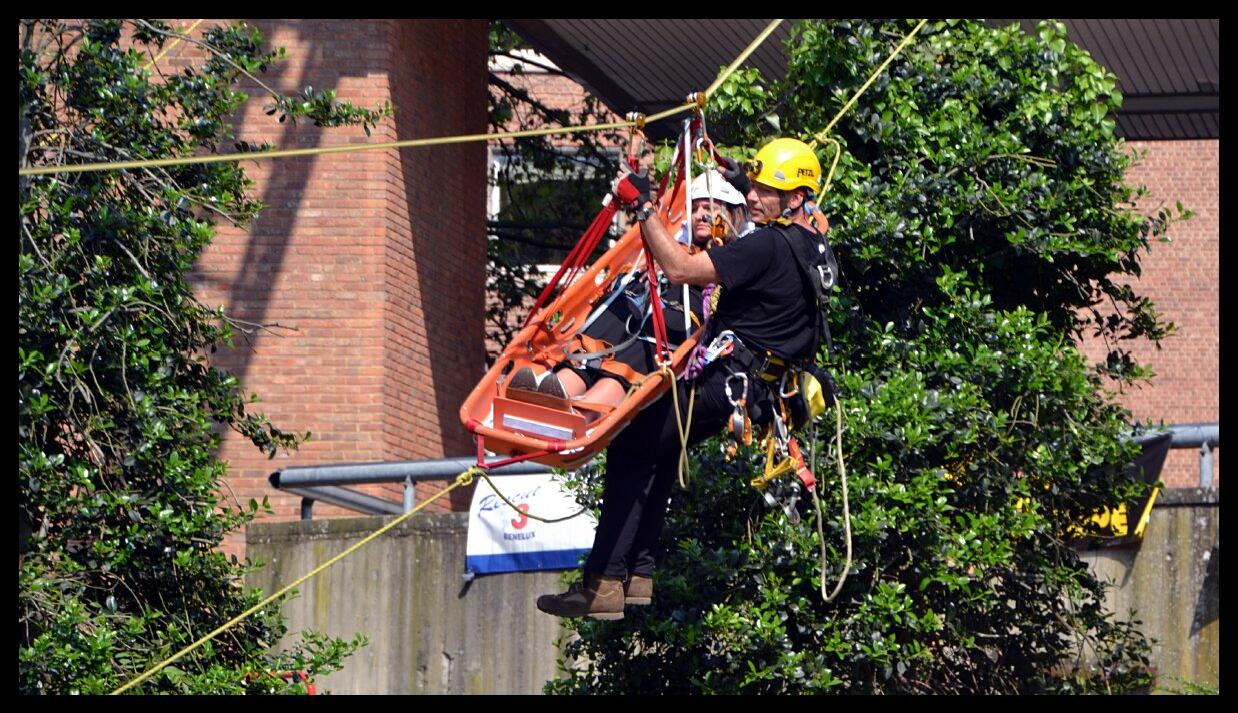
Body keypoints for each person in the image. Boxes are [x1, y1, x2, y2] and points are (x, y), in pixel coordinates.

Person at [534, 138, 833, 620]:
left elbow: (680, 267)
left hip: (729, 384)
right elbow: (793, 208)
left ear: (795, 197)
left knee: (632, 440)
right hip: (757, 390)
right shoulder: (815, 241)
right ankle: (636, 577)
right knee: (659, 449)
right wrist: (734, 172)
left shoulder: (764, 247)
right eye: (751, 187)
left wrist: (643, 205)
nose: (753, 198)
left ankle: (605, 582)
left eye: (764, 191)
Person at [505, 172, 749, 419]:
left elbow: (688, 271)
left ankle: (582, 413)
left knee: (645, 343)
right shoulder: (680, 243)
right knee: (614, 314)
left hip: (682, 322)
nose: (698, 215)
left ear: (730, 214)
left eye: (707, 207)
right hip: (649, 304)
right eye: (694, 208)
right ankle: (556, 391)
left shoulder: (739, 252)